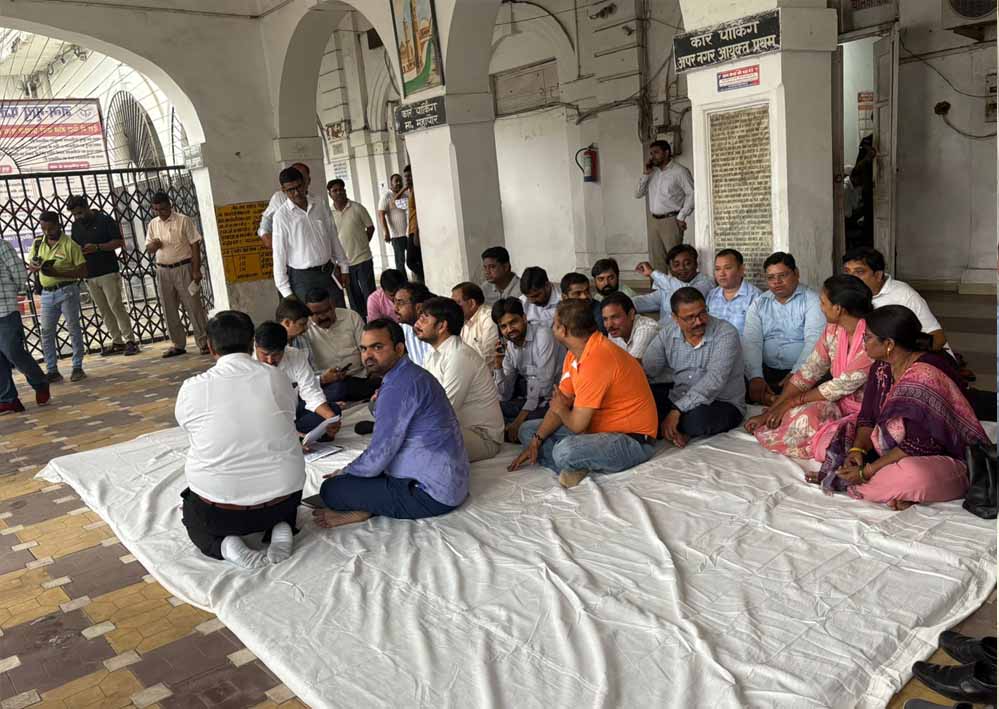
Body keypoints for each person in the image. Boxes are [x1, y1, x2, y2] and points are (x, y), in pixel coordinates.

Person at [175, 310, 305, 569]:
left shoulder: (193, 387)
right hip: (282, 502)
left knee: (191, 512)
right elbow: (289, 415)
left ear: (210, 347)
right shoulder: (276, 376)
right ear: (251, 343)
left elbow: (188, 427)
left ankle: (226, 545)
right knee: (282, 472)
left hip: (221, 513)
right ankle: (282, 526)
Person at [827, 305, 988, 509]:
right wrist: (857, 450)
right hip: (896, 455)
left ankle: (887, 486)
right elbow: (867, 417)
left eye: (867, 337)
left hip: (945, 458)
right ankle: (893, 488)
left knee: (913, 475)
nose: (863, 341)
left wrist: (866, 471)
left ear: (889, 344)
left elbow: (920, 444)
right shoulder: (881, 367)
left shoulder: (926, 374)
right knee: (839, 438)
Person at [313, 319, 468, 529]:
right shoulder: (412, 374)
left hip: (429, 494)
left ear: (399, 348)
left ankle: (365, 508)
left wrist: (345, 471)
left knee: (331, 490)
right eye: (364, 349)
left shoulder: (398, 385)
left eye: (377, 347)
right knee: (359, 474)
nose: (368, 355)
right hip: (450, 482)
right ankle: (370, 501)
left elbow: (380, 453)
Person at [509, 300, 658, 489]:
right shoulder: (574, 354)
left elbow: (576, 423)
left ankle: (574, 462)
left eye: (554, 324)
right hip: (596, 431)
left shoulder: (598, 357)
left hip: (633, 441)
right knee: (528, 431)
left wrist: (560, 409)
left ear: (563, 330)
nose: (551, 328)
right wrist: (536, 442)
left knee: (564, 451)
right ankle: (578, 465)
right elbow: (562, 402)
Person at [745, 275, 874, 463]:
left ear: (838, 309)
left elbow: (837, 387)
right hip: (837, 403)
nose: (820, 307)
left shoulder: (871, 338)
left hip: (867, 412)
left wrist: (790, 403)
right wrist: (772, 410)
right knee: (790, 415)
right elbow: (809, 371)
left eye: (823, 303)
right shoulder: (833, 329)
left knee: (804, 418)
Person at [642, 288, 745, 446]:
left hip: (720, 402)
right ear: (675, 318)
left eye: (702, 313)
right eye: (690, 318)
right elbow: (649, 369)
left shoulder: (726, 333)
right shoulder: (666, 334)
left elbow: (714, 380)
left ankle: (670, 427)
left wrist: (677, 410)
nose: (699, 321)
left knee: (698, 420)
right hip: (679, 396)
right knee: (643, 403)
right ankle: (672, 428)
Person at [417, 297, 504, 462]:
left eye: (424, 319)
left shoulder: (460, 356)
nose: (417, 323)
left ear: (441, 326)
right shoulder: (431, 354)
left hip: (482, 437)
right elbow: (422, 395)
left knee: (423, 436)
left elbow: (444, 409)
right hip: (455, 427)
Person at [742, 252, 825, 405]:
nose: (777, 282)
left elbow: (814, 341)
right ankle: (778, 401)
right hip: (767, 371)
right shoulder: (759, 303)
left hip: (804, 370)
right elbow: (751, 342)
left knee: (812, 393)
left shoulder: (812, 300)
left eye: (783, 275)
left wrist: (797, 374)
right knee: (737, 386)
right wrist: (755, 376)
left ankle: (777, 401)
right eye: (771, 277)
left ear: (796, 273)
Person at [66, 194, 138, 356]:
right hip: (90, 274)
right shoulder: (76, 226)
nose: (78, 217)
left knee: (116, 306)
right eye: (74, 214)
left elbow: (119, 242)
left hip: (108, 271)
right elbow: (75, 246)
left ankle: (130, 340)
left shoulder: (104, 220)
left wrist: (97, 247)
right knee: (104, 309)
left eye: (80, 213)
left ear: (87, 207)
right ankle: (117, 341)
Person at [841, 247, 947, 351]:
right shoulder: (845, 294)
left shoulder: (904, 295)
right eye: (847, 271)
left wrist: (904, 357)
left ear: (878, 275)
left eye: (859, 272)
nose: (850, 278)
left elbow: (937, 337)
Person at [271, 166, 349, 307]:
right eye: (290, 190)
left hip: (328, 273)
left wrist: (344, 266)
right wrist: (286, 292)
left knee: (338, 312)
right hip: (302, 279)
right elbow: (279, 255)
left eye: (299, 187)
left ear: (305, 183)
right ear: (283, 190)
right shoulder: (281, 217)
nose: (296, 193)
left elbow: (332, 236)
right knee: (312, 318)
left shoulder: (319, 203)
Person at [144, 192, 209, 357]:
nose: (160, 212)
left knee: (193, 306)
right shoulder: (153, 224)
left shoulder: (183, 220)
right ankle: (178, 344)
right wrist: (154, 245)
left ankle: (204, 342)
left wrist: (196, 270)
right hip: (163, 270)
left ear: (169, 205)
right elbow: (149, 249)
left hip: (183, 268)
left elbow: (195, 245)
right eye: (156, 209)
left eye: (163, 209)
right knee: (169, 308)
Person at [253, 321, 342, 435]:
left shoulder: (295, 355)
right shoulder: (246, 363)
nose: (270, 360)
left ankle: (297, 434)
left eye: (276, 355)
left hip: (292, 414)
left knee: (332, 412)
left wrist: (330, 418)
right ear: (256, 346)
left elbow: (310, 391)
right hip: (263, 422)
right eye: (265, 354)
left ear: (284, 348)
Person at [491, 297, 561, 443]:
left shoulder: (543, 335)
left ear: (524, 318)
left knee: (523, 427)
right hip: (529, 399)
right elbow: (505, 394)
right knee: (492, 411)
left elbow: (544, 387)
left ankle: (514, 430)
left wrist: (518, 421)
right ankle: (512, 430)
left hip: (553, 399)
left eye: (513, 322)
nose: (509, 330)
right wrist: (498, 365)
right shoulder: (510, 346)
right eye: (503, 326)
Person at [29, 212, 87, 382]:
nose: (47, 232)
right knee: (46, 331)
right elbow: (31, 264)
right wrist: (34, 266)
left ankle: (77, 366)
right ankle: (52, 369)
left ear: (58, 225)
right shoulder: (38, 243)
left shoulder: (70, 245)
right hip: (47, 293)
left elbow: (83, 271)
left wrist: (58, 272)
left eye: (51, 228)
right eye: (43, 229)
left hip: (67, 291)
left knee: (73, 328)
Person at [301, 288, 378, 402]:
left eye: (326, 311)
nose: (323, 317)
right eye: (316, 314)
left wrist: (372, 369)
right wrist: (324, 378)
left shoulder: (351, 316)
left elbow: (366, 348)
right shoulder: (304, 328)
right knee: (337, 390)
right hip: (329, 383)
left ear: (333, 305)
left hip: (359, 376)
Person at [0, 236, 50, 412]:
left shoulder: (2, 246)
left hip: (5, 308)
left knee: (14, 352)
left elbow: (18, 269)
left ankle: (40, 382)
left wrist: (20, 290)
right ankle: (8, 399)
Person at [635, 140, 694, 273]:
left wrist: (682, 216)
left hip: (671, 221)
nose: (652, 157)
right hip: (654, 220)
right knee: (656, 261)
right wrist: (645, 174)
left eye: (656, 153)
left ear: (667, 153)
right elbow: (638, 194)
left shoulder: (680, 171)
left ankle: (676, 286)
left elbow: (692, 193)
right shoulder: (652, 173)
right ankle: (658, 286)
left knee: (675, 260)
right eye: (651, 153)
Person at [328, 178, 376, 319]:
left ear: (345, 190)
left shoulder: (357, 208)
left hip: (363, 259)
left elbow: (370, 227)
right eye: (335, 191)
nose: (338, 192)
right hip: (345, 264)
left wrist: (363, 243)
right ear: (330, 194)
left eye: (341, 189)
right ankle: (360, 322)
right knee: (353, 296)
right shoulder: (328, 214)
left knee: (369, 293)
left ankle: (374, 320)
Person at [633, 245, 713, 322]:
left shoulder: (706, 283)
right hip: (664, 330)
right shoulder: (668, 286)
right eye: (676, 265)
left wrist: (652, 273)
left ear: (696, 264)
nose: (682, 268)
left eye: (687, 263)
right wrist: (626, 302)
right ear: (670, 268)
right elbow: (645, 301)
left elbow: (687, 292)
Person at [257, 161, 312, 249]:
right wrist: (272, 243)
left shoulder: (317, 201)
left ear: (308, 180)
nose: (295, 181)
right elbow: (265, 225)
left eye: (300, 178)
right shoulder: (280, 198)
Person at [706, 248, 760, 334]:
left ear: (741, 270)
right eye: (717, 269)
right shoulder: (711, 295)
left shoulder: (755, 297)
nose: (721, 274)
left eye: (727, 268)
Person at [600, 292, 659, 360]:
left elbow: (632, 364)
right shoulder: (615, 330)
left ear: (631, 314)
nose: (609, 325)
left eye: (615, 317)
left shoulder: (646, 329)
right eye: (605, 319)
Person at [452, 281, 498, 362]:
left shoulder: (488, 318)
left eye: (457, 303)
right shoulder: (463, 320)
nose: (453, 307)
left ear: (472, 303)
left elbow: (489, 356)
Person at [394, 281, 434, 367]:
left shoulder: (435, 329)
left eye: (400, 303)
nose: (395, 309)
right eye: (394, 302)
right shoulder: (400, 330)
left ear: (418, 307)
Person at [377, 173, 409, 274]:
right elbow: (381, 214)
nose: (399, 183)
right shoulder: (386, 196)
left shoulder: (405, 195)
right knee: (400, 263)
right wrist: (386, 232)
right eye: (396, 181)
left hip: (408, 234)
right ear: (391, 183)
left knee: (412, 259)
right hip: (396, 236)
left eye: (400, 181)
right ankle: (403, 282)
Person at [402, 165, 424, 283]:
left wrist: (416, 232)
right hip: (410, 228)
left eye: (409, 176)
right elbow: (395, 200)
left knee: (410, 261)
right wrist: (405, 188)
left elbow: (420, 211)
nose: (407, 179)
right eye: (405, 176)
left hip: (415, 229)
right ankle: (423, 279)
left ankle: (425, 277)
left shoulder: (417, 190)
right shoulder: (410, 190)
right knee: (416, 260)